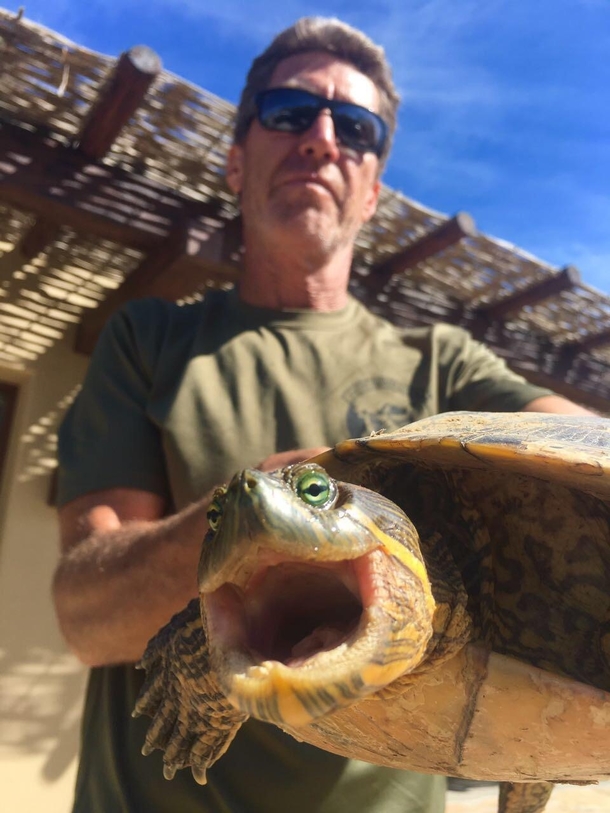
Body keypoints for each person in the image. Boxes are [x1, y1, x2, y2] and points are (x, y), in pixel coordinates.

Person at [53, 16, 593, 813]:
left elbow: (585, 441)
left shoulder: (441, 363)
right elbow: (86, 617)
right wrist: (268, 502)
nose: (320, 138)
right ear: (237, 161)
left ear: (372, 188)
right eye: (288, 111)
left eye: (356, 126)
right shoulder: (151, 338)